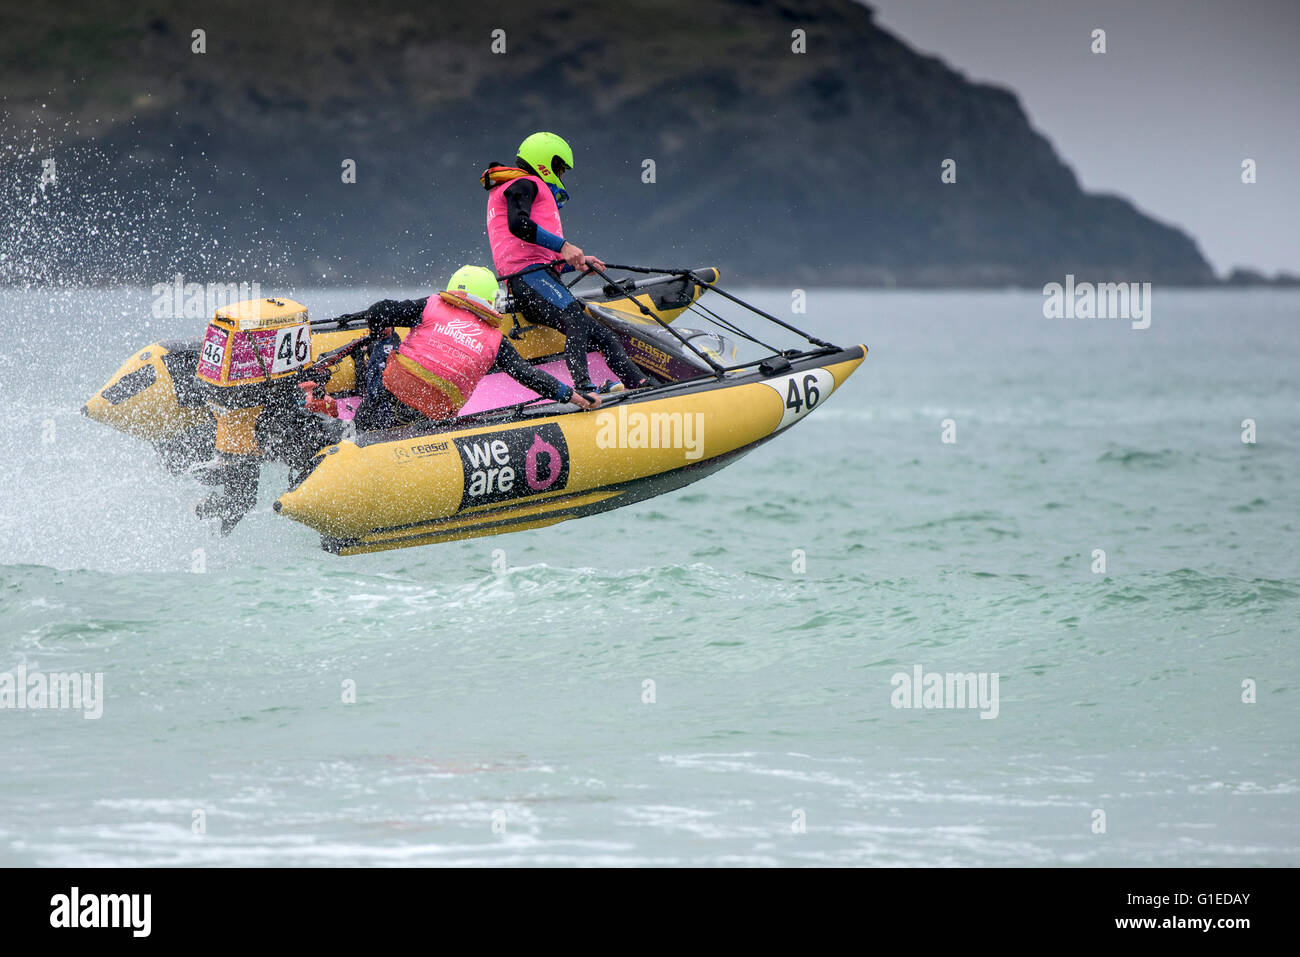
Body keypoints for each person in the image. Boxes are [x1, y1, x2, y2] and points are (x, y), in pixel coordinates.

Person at [307, 265, 600, 431]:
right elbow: (528, 376)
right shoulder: (495, 341)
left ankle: (352, 422)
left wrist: (380, 329)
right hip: (427, 420)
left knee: (388, 342)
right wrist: (574, 397)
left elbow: (381, 310)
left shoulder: (431, 306)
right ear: (489, 300)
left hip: (382, 405)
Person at [481, 131, 651, 394]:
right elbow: (518, 225)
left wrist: (577, 263)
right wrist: (564, 246)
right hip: (529, 280)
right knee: (576, 320)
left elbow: (535, 253)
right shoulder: (523, 184)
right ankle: (584, 389)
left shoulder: (520, 185)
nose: (560, 176)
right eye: (559, 168)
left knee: (604, 336)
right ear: (544, 161)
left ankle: (639, 384)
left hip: (538, 279)